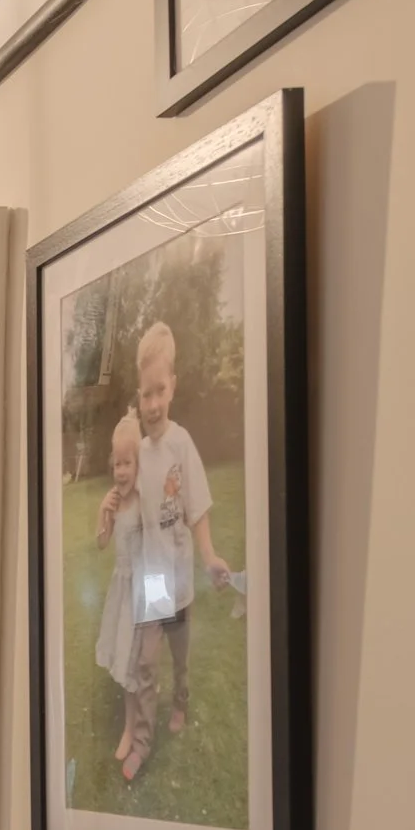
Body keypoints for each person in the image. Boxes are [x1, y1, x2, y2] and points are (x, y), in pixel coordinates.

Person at [128, 321, 236, 750]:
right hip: (153, 579)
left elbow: (198, 508)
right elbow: (126, 501)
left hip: (181, 580)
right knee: (148, 658)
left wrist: (208, 555)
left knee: (179, 656)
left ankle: (181, 700)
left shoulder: (181, 444)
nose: (153, 403)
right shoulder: (138, 452)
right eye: (145, 393)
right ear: (139, 395)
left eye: (159, 391)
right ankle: (143, 732)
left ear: (172, 386)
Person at [92, 411, 156, 779]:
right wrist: (103, 514)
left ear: (138, 464)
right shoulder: (115, 502)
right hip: (121, 590)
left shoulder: (144, 501)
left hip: (141, 591)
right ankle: (130, 725)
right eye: (116, 464)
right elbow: (102, 544)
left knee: (137, 662)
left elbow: (157, 546)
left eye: (127, 463)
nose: (120, 472)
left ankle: (135, 728)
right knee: (124, 659)